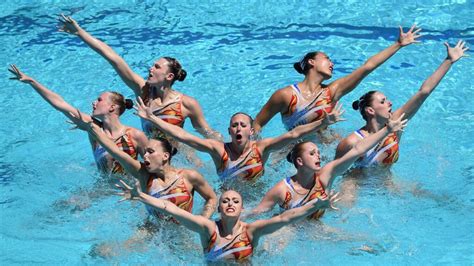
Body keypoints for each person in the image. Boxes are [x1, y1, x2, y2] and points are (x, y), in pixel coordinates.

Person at [58, 14, 220, 141]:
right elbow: (113, 58)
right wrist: (80, 33)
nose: (151, 68)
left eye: (157, 67)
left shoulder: (187, 104)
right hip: (152, 156)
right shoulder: (143, 91)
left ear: (169, 76)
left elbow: (207, 132)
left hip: (181, 158)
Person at [253, 24, 421, 136]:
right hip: (293, 151)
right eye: (327, 58)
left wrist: (398, 44)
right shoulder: (286, 95)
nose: (332, 63)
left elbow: (367, 67)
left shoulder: (331, 92)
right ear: (311, 62)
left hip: (325, 147)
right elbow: (257, 124)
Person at [115, 179, 338, 262]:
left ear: (242, 208)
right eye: (225, 201)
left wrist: (315, 205)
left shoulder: (252, 231)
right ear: (219, 207)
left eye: (235, 201)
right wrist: (141, 196)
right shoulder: (207, 229)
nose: (230, 203)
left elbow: (285, 217)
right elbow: (171, 209)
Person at [136, 97, 345, 182]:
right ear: (229, 130)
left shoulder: (262, 148)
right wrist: (153, 118)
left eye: (243, 125)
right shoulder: (218, 150)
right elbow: (183, 135)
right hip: (229, 201)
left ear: (251, 132)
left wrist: (323, 123)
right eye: (234, 125)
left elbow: (294, 134)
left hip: (257, 198)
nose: (238, 128)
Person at [335, 40, 468, 169]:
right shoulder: (351, 142)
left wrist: (449, 61)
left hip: (388, 183)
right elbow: (333, 171)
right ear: (370, 110)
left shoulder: (396, 124)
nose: (390, 102)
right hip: (356, 184)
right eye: (383, 101)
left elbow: (423, 92)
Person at [251, 114, 407, 218]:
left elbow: (358, 149)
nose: (318, 155)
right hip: (289, 232)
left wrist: (387, 130)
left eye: (318, 152)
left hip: (318, 229)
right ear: (299, 161)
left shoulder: (326, 174)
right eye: (312, 153)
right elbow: (258, 213)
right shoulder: (283, 190)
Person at [8, 64, 148, 176]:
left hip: (129, 191)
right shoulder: (92, 128)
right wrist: (32, 82)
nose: (94, 103)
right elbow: (61, 104)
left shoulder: (134, 135)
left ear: (112, 107)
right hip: (103, 190)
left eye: (99, 100)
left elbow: (156, 166)